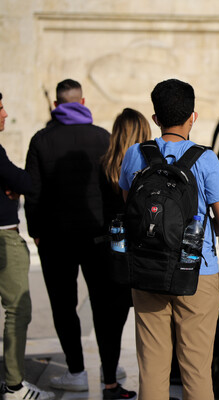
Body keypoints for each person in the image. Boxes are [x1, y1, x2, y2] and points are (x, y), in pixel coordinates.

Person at [119, 79, 219, 399]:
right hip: (197, 270)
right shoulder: (205, 159)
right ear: (193, 116)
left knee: (152, 368)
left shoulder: (134, 154)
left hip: (147, 270)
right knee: (196, 370)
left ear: (155, 118)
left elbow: (130, 208)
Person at [24, 79, 133, 395]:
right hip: (98, 238)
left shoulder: (41, 140)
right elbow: (116, 188)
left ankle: (75, 370)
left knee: (63, 305)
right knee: (105, 306)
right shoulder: (103, 138)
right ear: (82, 102)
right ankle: (109, 371)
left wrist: (36, 232)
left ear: (57, 105)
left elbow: (33, 193)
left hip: (56, 240)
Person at [0, 92, 55, 400]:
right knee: (18, 311)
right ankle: (14, 385)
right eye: (1, 108)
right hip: (4, 237)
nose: (6, 114)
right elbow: (24, 182)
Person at [98, 108, 152, 399]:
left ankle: (109, 384)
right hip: (142, 253)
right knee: (151, 322)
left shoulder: (103, 166)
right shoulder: (146, 167)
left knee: (110, 323)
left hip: (111, 254)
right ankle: (157, 380)